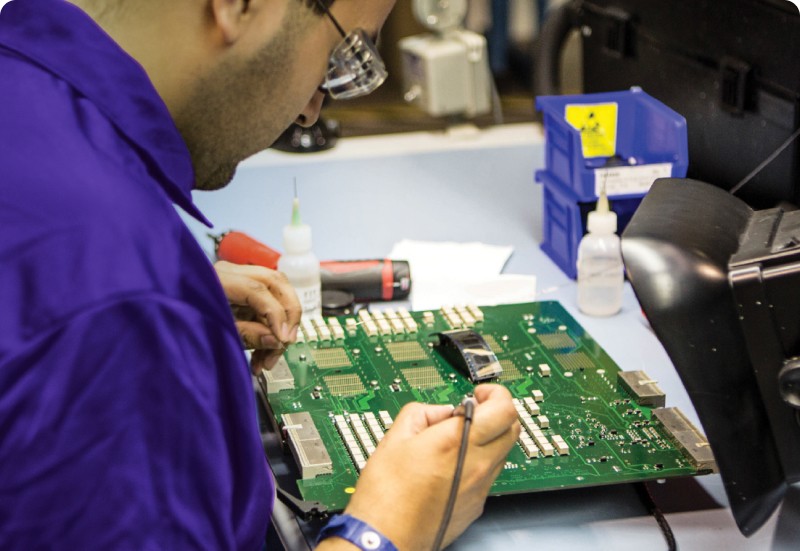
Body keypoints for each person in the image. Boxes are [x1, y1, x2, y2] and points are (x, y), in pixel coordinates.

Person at [0, 0, 521, 549]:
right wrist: (388, 528)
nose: (311, 113)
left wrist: (175, 286)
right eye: (342, 55)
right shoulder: (120, 300)